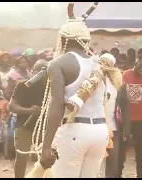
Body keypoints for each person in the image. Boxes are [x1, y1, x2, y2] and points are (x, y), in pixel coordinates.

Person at [38, 3, 110, 178]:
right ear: (85, 40)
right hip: (100, 132)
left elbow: (57, 105)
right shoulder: (99, 63)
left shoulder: (59, 63)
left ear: (63, 39)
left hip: (75, 132)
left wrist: (46, 145)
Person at [9, 60, 48, 178]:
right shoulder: (23, 85)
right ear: (33, 71)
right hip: (24, 125)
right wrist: (30, 110)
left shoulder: (52, 88)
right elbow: (12, 106)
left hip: (44, 127)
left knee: (46, 157)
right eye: (39, 70)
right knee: (21, 155)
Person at [118, 58, 142, 178]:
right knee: (122, 149)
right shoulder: (125, 74)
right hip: (125, 118)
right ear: (136, 64)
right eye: (141, 66)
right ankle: (118, 173)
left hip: (140, 118)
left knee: (140, 150)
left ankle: (141, 174)